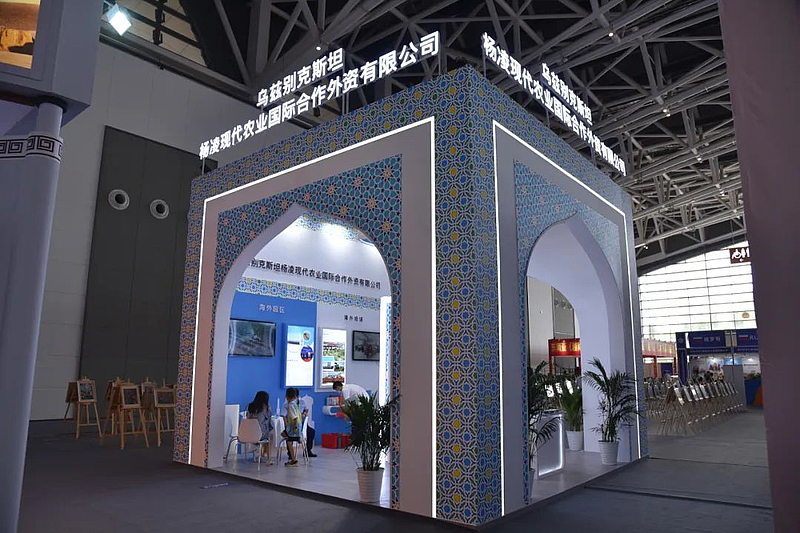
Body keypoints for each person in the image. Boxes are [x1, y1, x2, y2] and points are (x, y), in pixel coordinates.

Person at [282, 387, 317, 458]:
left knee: (311, 431)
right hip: (292, 424)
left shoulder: (301, 402)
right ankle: (290, 453)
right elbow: (284, 416)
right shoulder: (287, 405)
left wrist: (304, 414)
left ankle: (308, 450)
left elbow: (306, 410)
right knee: (288, 434)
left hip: (300, 423)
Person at [246, 391, 273, 463]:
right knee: (270, 435)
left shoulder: (249, 406)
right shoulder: (266, 408)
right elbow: (269, 421)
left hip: (247, 434)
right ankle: (268, 457)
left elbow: (247, 417)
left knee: (267, 434)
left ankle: (262, 454)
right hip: (260, 434)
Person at [281, 388, 302, 466]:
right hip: (298, 427)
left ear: (287, 397)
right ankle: (293, 458)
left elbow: (295, 418)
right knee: (285, 436)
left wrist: (295, 428)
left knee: (288, 441)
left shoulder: (290, 405)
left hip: (294, 428)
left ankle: (293, 459)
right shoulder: (296, 404)